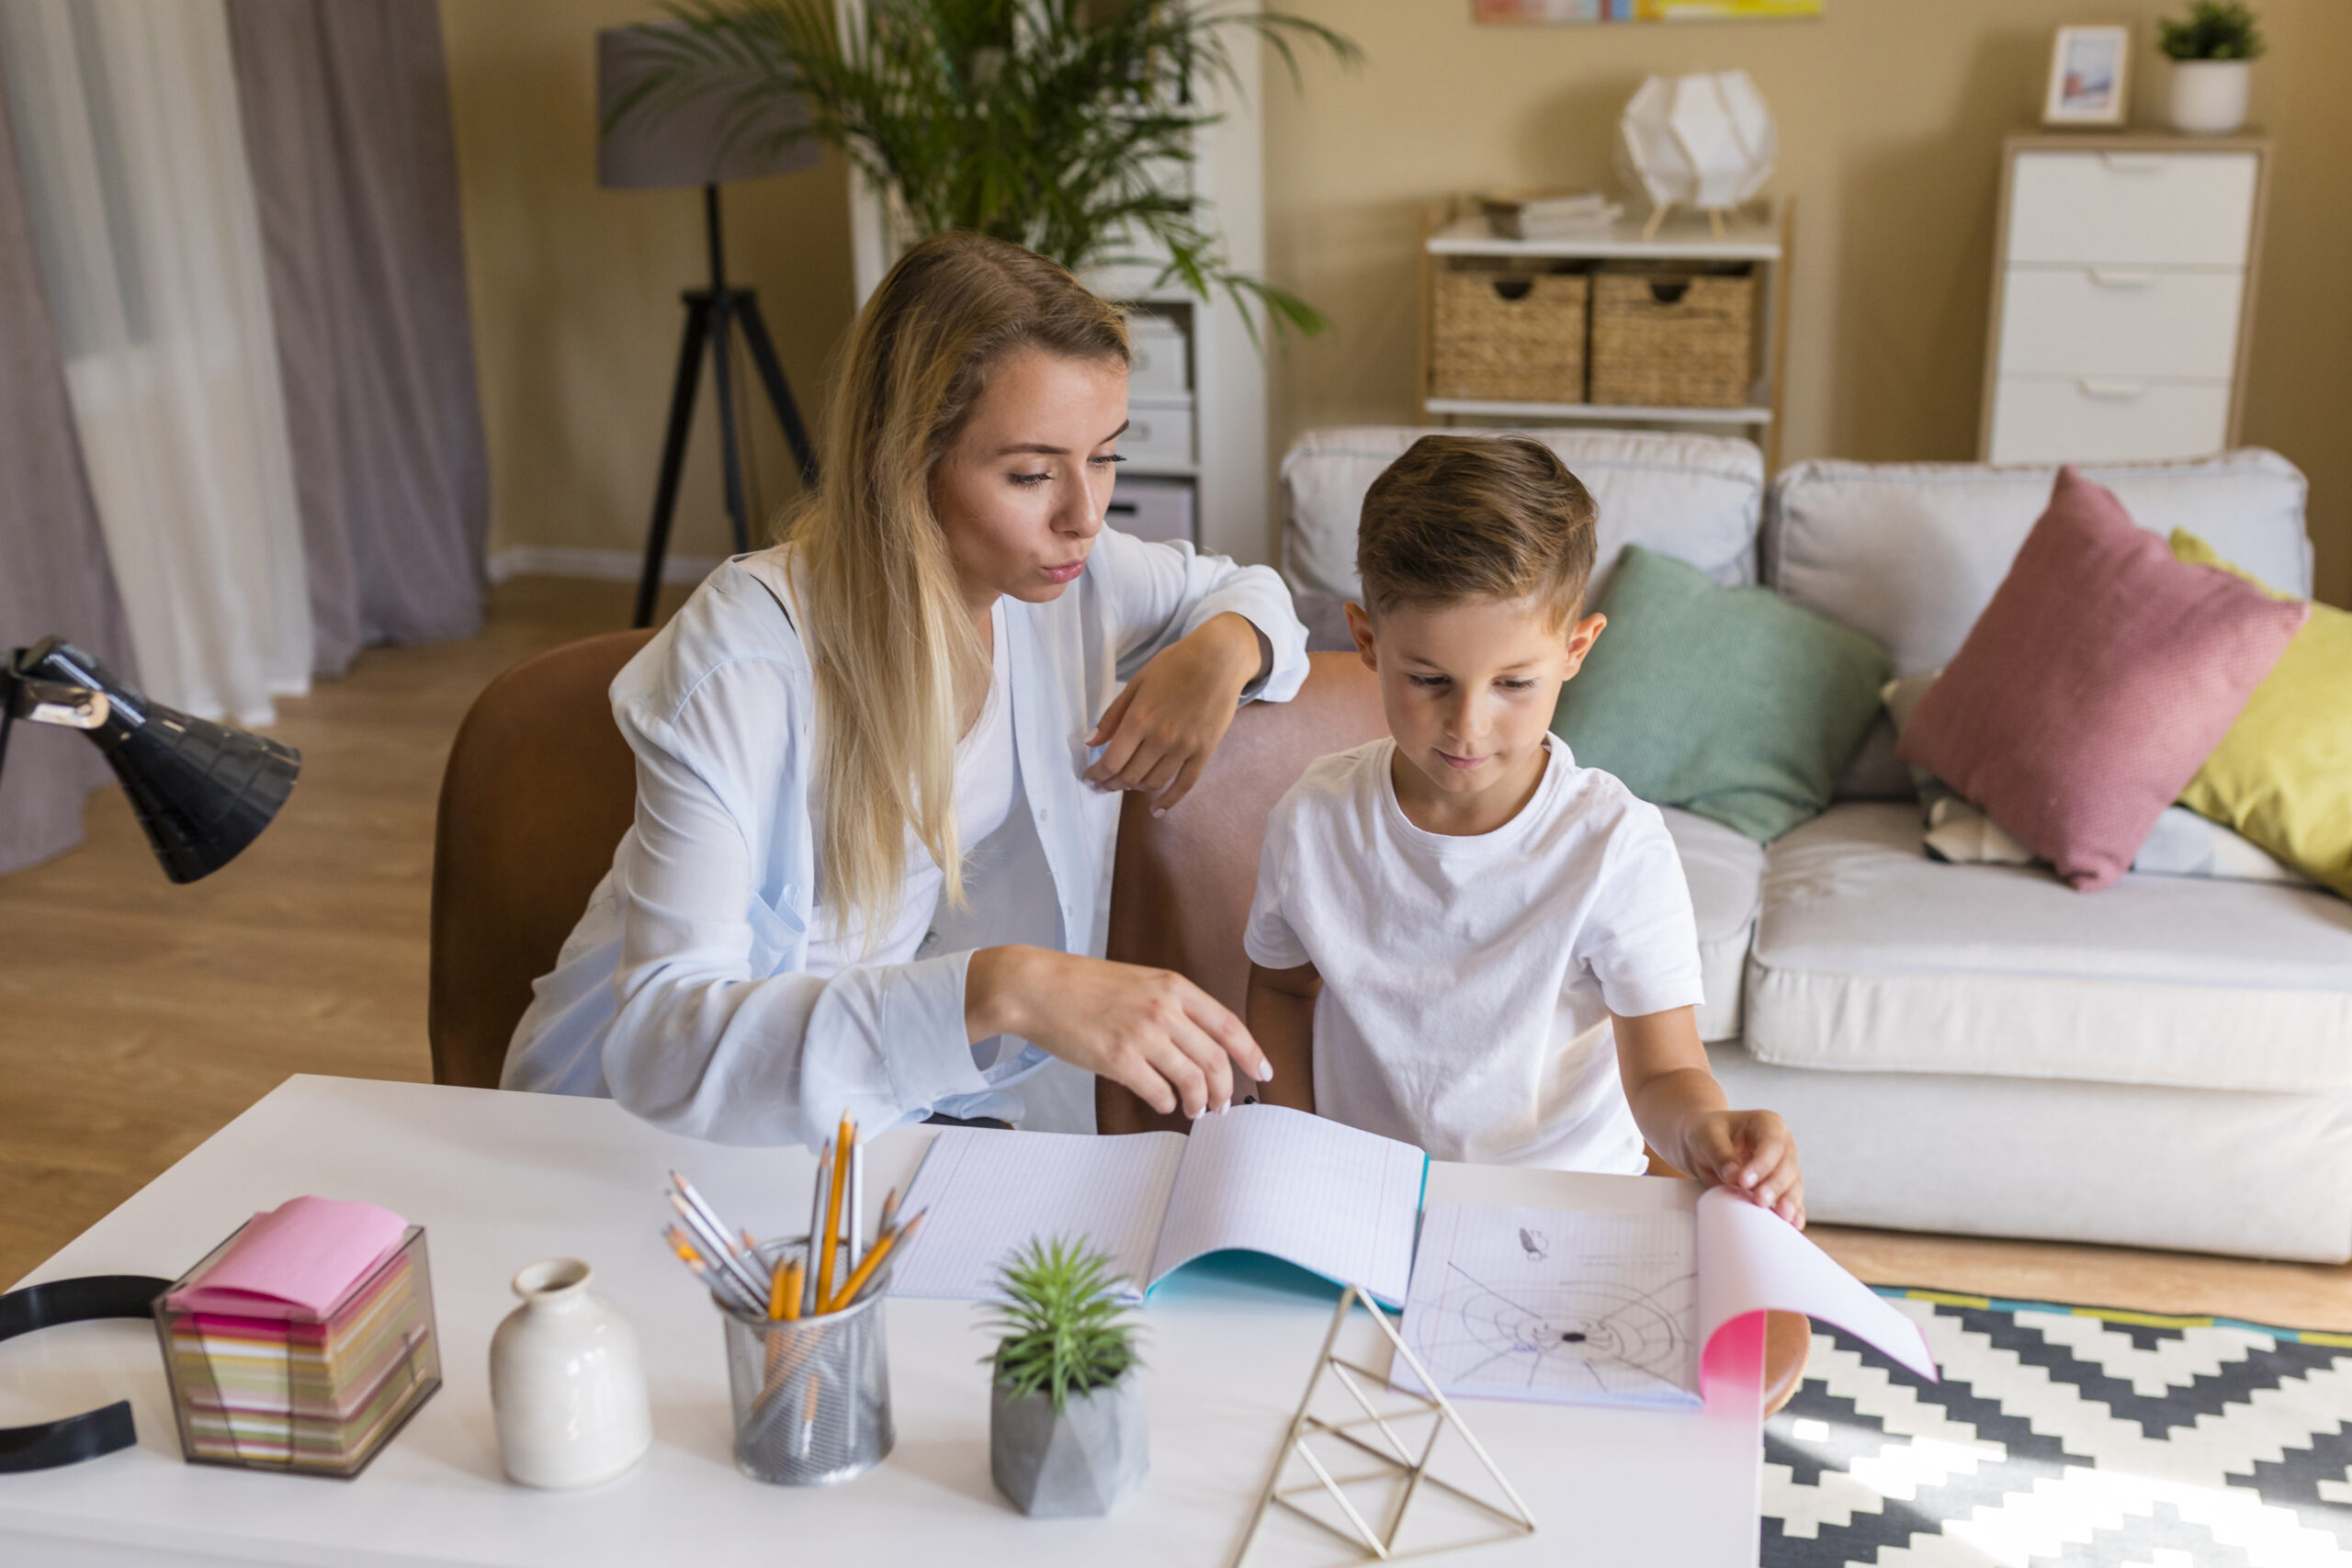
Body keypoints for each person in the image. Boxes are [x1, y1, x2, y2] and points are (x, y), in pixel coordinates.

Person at [503, 233, 1305, 1146]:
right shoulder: (743, 663)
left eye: (1106, 456)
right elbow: (663, 1049)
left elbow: (1250, 590)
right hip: (630, 1139)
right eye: (1031, 473)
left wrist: (1225, 650)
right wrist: (1002, 987)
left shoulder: (1060, 578)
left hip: (862, 1116)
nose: (1085, 514)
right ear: (902, 460)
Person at [1241, 434, 1804, 1224]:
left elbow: (1663, 1075)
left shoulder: (1616, 847)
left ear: (1576, 651)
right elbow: (1282, 989)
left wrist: (1710, 1130)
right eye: (1429, 679)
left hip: (1566, 1208)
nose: (1467, 726)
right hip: (1366, 1205)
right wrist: (1295, 1150)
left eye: (1513, 683)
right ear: (1366, 642)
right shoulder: (1313, 820)